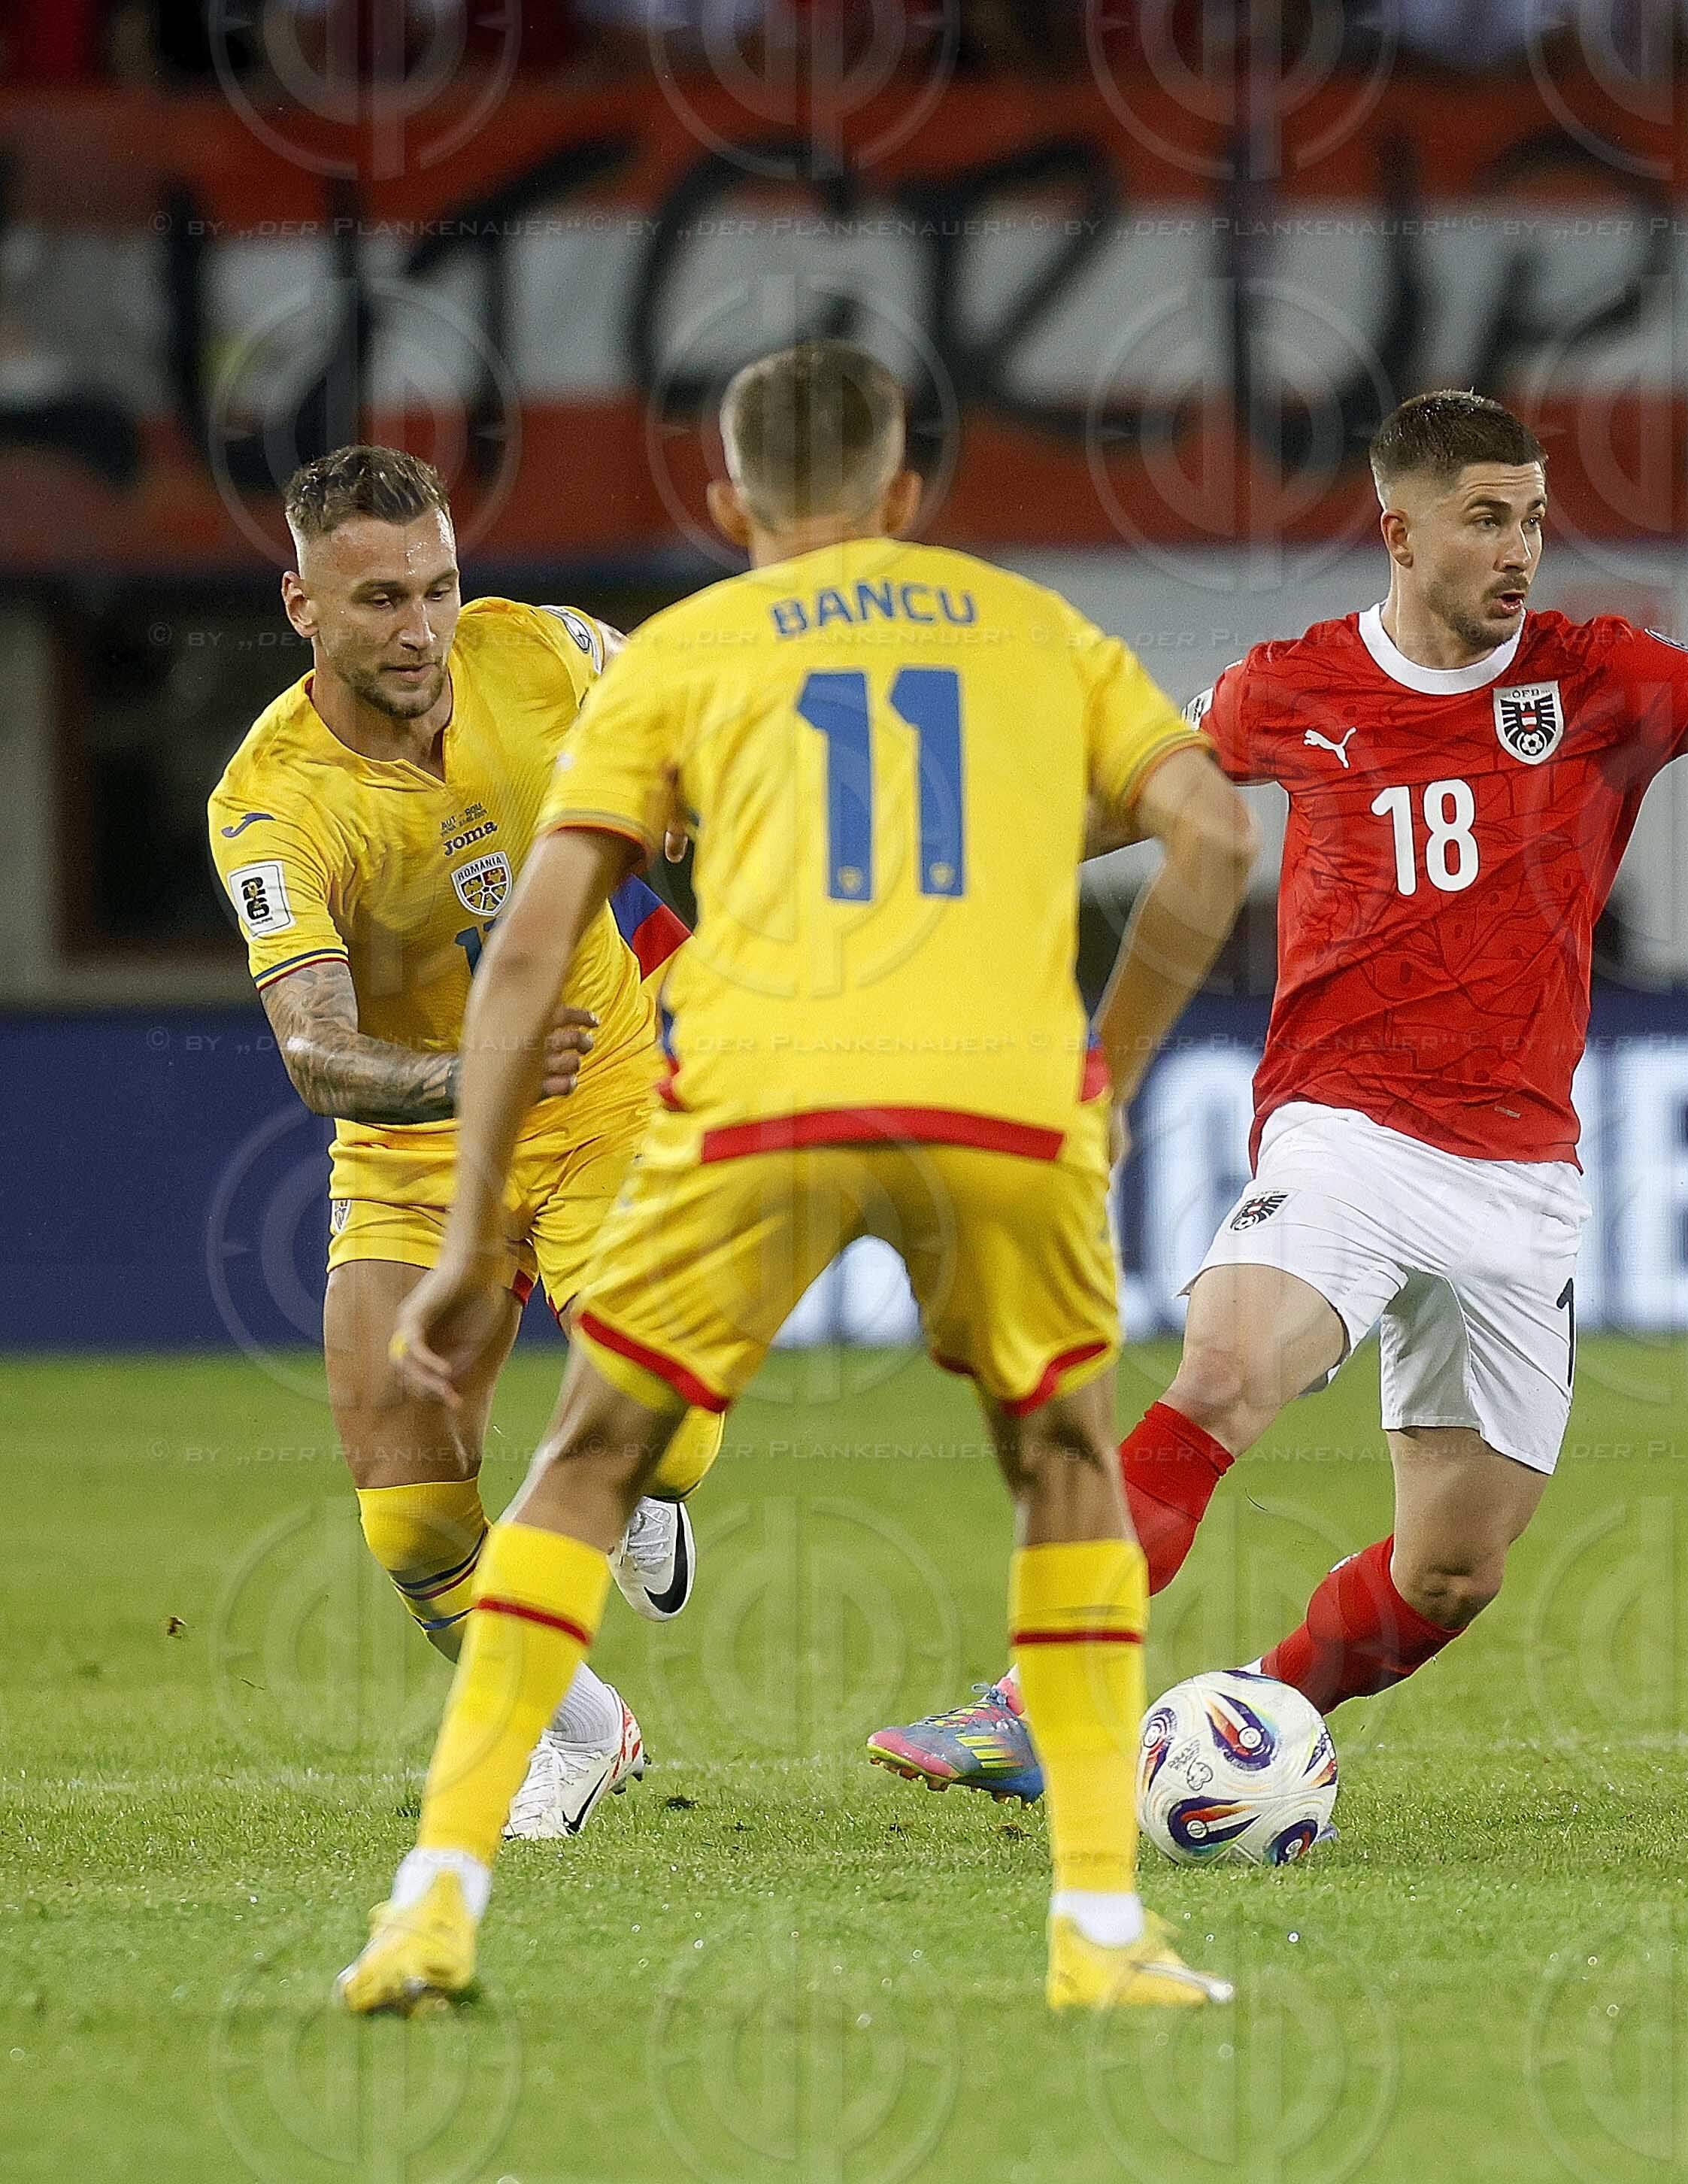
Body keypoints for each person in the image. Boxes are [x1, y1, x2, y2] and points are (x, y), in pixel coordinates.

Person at [866, 388, 1688, 1794]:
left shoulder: (1600, 675)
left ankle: (1245, 1723)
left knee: (1453, 1570)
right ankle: (1036, 1702)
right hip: (1345, 1135)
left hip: (1522, 1182)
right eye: (1487, 520)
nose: (1521, 551)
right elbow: (1118, 810)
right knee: (1220, 1375)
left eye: (1535, 521)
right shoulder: (1295, 685)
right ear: (1399, 528)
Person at [334, 340, 1256, 2015]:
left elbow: (539, 934)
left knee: (588, 1461)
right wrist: (1106, 1056)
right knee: (1061, 1463)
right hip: (1001, 1100)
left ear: (726, 499)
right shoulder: (1033, 624)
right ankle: (1103, 1934)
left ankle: (436, 1901)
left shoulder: (680, 653)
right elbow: (1215, 835)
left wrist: (473, 1238)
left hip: (763, 1090)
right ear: (907, 496)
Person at [206, 444, 720, 1843]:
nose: (420, 628)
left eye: (437, 588)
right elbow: (316, 1053)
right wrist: (469, 1070)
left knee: (648, 1426)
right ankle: (581, 1727)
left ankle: (651, 1488)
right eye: (377, 600)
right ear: (303, 605)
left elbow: (717, 727)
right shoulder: (270, 804)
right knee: (411, 1525)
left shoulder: (548, 656)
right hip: (417, 1144)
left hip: (601, 1088)